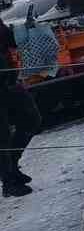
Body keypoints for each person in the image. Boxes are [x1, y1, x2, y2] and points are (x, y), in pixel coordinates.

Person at [0, 20, 41, 197]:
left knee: (31, 119)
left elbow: (10, 40)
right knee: (2, 136)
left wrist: (25, 29)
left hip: (7, 82)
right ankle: (8, 182)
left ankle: (13, 166)